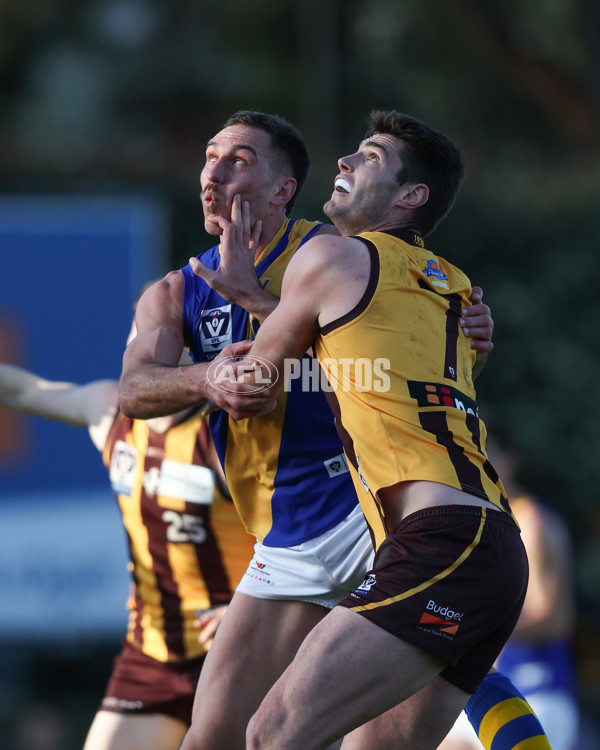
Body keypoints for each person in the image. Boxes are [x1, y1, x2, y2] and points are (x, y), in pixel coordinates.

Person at [118, 110, 547, 750]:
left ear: (283, 187)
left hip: (375, 513)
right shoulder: (182, 290)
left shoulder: (332, 249)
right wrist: (207, 378)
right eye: (209, 155)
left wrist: (239, 357)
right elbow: (135, 389)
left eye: (238, 159)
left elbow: (268, 379)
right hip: (302, 529)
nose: (213, 171)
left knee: (280, 731)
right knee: (217, 740)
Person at [0, 316, 255, 750]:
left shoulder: (223, 435)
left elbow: (297, 538)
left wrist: (249, 612)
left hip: (236, 651)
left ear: (188, 353)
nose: (143, 347)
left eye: (162, 334)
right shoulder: (109, 414)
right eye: (139, 331)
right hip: (151, 654)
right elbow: (27, 391)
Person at [438, 421, 580, 750]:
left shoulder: (529, 522)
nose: (475, 464)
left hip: (537, 694)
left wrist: (465, 628)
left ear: (511, 459)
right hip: (483, 691)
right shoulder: (476, 523)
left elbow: (556, 621)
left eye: (485, 454)